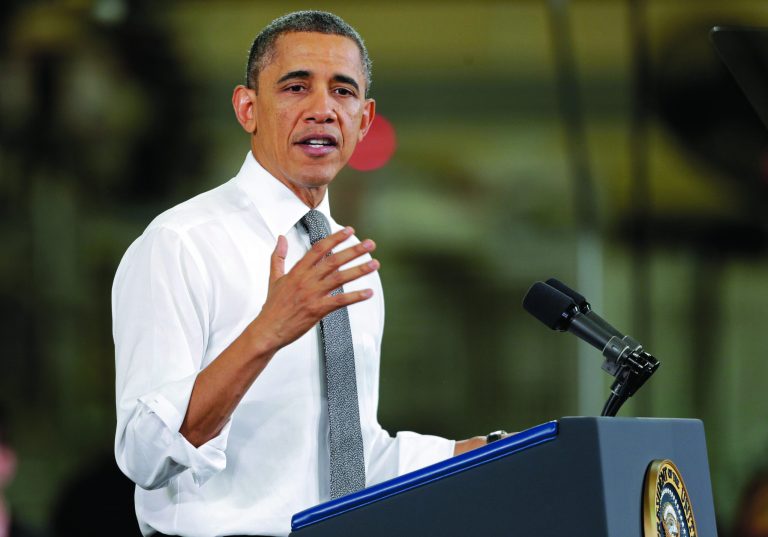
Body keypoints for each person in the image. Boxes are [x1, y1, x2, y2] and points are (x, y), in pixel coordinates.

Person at [112, 11, 497, 537]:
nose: (323, 109)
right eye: (296, 87)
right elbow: (142, 453)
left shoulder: (346, 260)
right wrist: (267, 331)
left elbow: (344, 458)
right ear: (247, 108)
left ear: (364, 119)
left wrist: (478, 455)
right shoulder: (181, 243)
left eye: (343, 91)